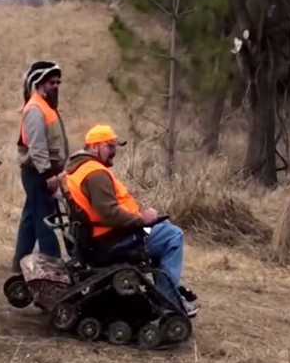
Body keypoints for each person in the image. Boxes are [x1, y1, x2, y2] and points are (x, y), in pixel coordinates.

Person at [63, 124, 200, 317]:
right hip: (113, 240)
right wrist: (141, 220)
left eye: (115, 147)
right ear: (94, 147)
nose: (114, 152)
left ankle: (170, 290)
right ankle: (169, 300)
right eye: (109, 147)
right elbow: (109, 214)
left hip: (102, 237)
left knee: (164, 227)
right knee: (173, 236)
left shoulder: (77, 168)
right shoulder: (96, 174)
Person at [12, 61, 70, 273]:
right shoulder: (36, 109)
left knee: (31, 216)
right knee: (45, 220)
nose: (55, 86)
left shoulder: (47, 106)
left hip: (44, 172)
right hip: (37, 173)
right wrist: (48, 174)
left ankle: (19, 261)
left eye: (57, 82)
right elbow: (37, 146)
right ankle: (52, 264)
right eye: (51, 82)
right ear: (39, 83)